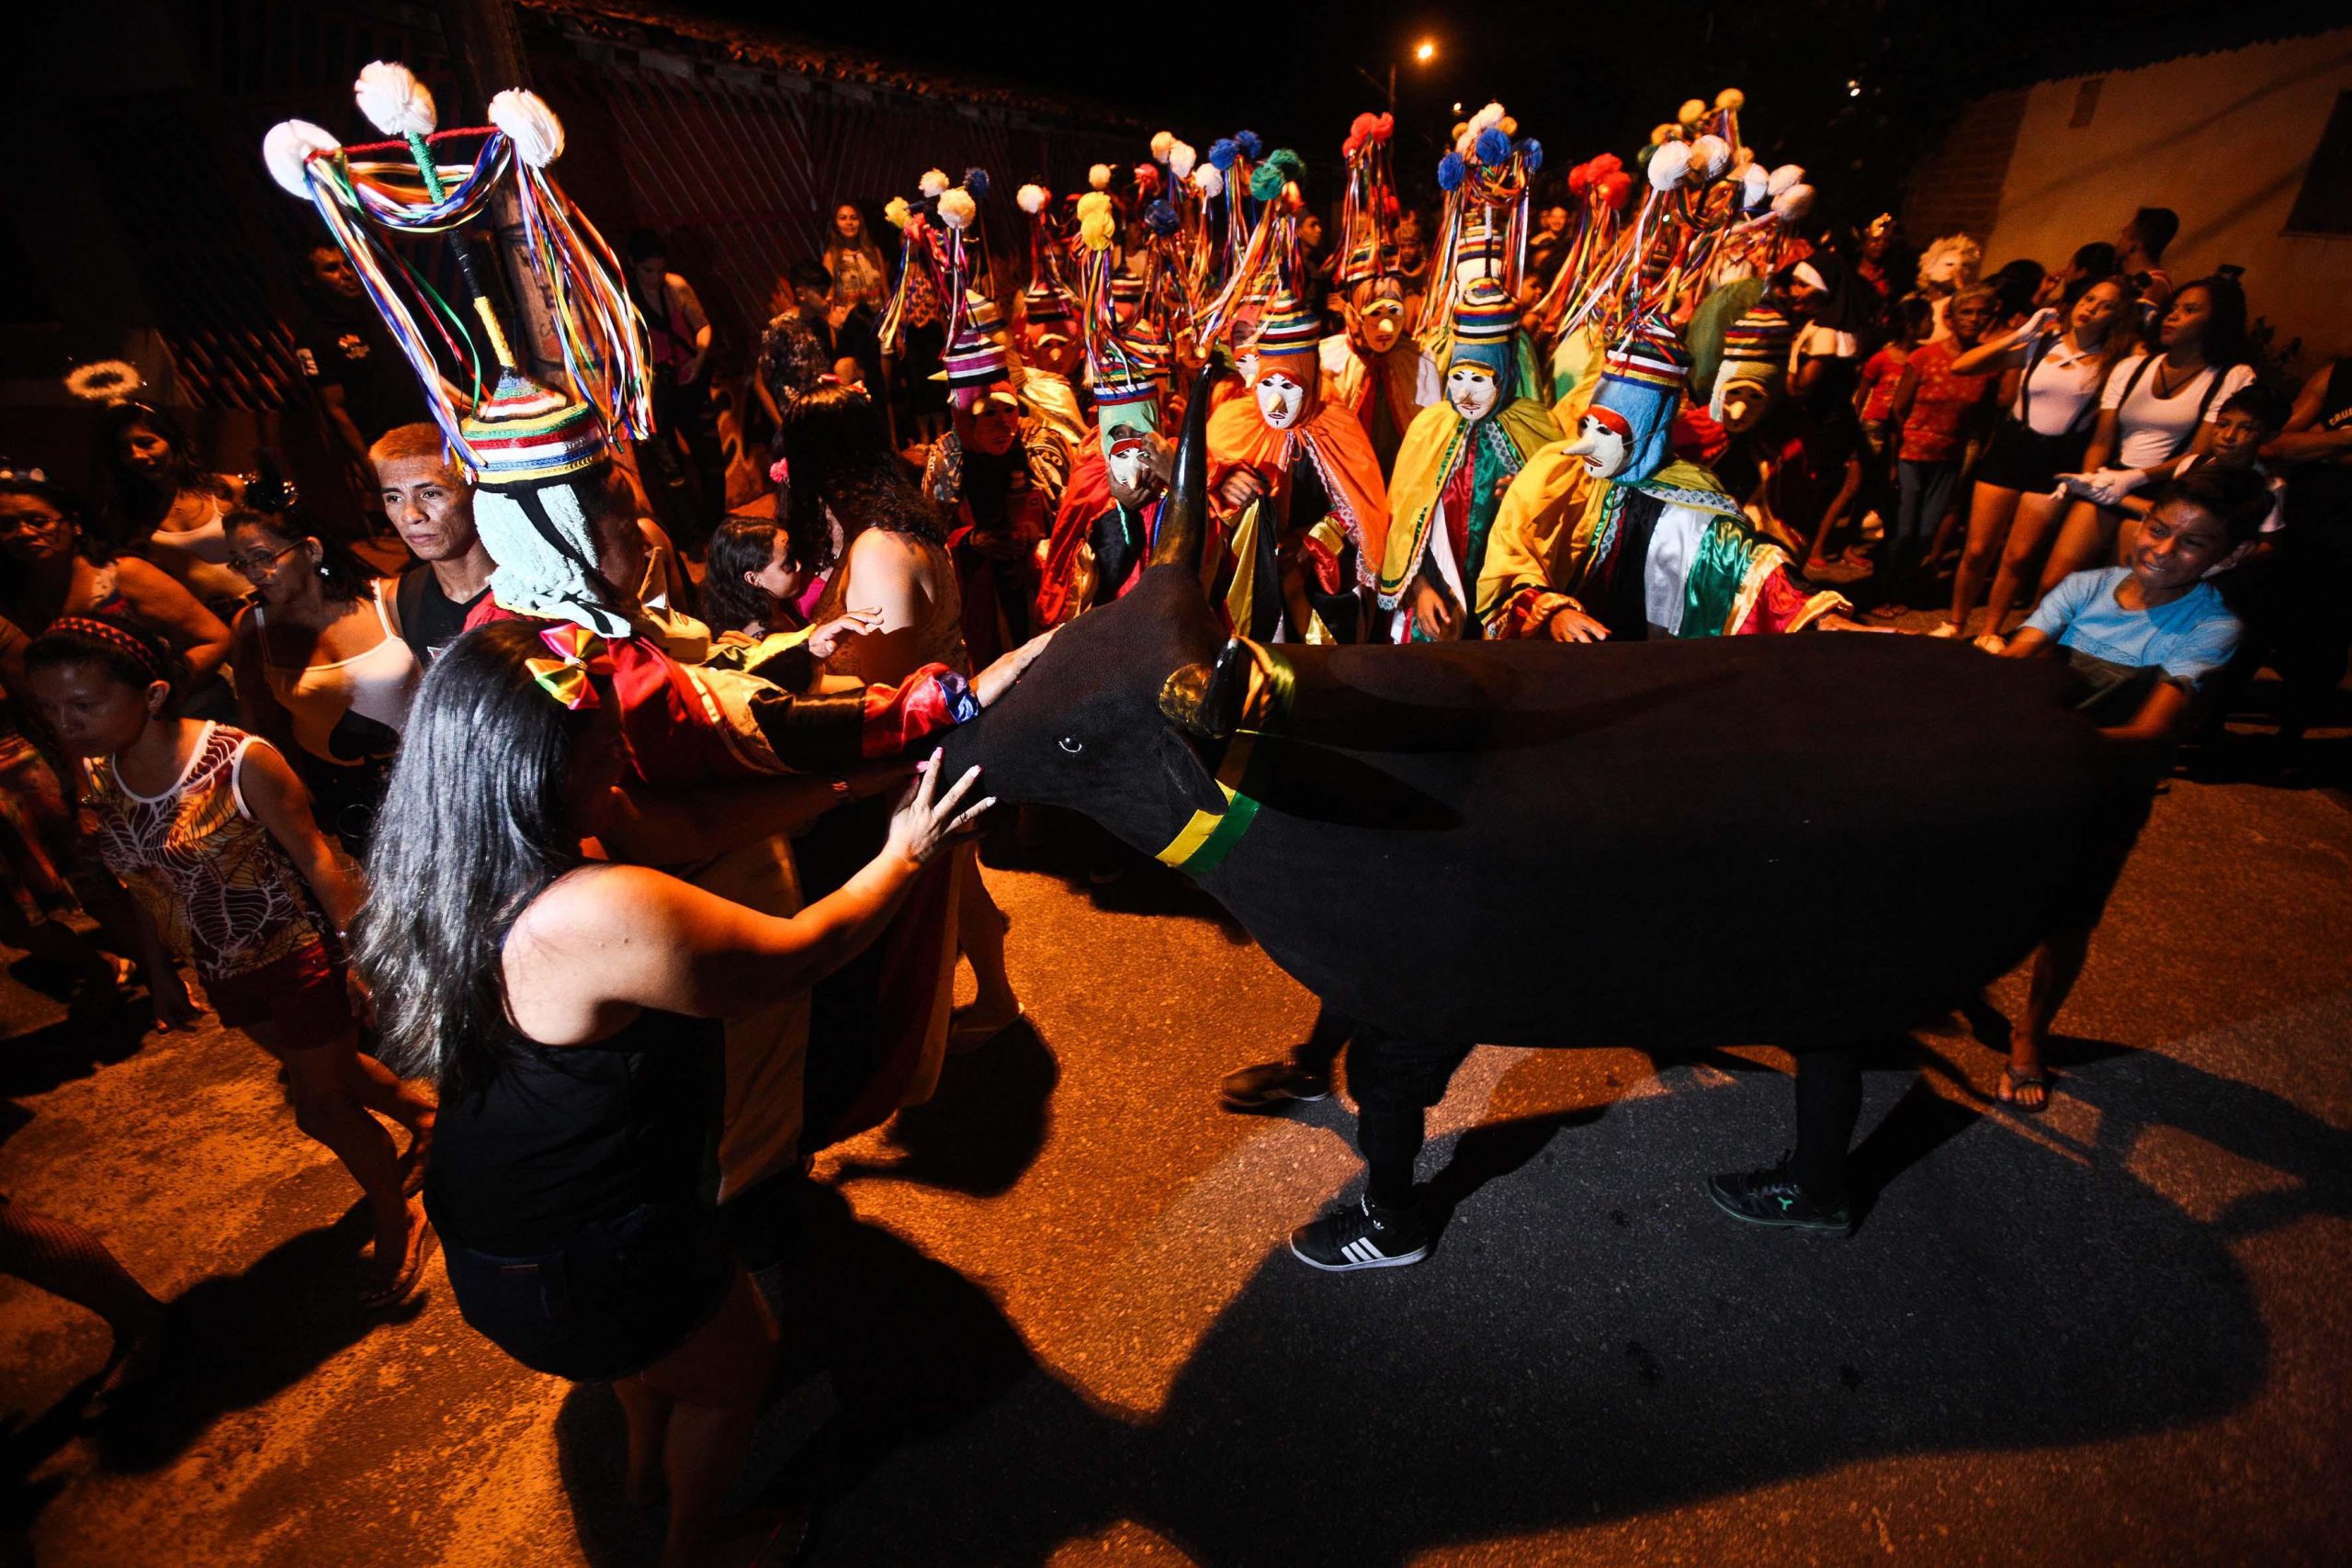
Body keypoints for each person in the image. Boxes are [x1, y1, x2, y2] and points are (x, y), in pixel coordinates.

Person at [355, 620, 992, 1568]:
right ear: (532, 760)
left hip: (514, 1222)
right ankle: (695, 1547)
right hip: (581, 1253)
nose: (623, 747)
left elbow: (692, 828)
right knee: (737, 1373)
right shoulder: (593, 910)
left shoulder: (454, 851)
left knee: (650, 1356)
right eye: (601, 736)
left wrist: (857, 783)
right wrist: (906, 849)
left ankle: (644, 1465)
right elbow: (802, 954)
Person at [22, 616, 434, 1306]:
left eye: (83, 705)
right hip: (222, 970)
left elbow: (317, 857)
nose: (67, 724)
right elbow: (144, 886)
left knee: (320, 1108)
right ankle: (427, 1121)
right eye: (51, 710)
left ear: (151, 695)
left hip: (298, 953)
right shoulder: (103, 775)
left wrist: (362, 955)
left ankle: (401, 1216)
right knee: (331, 1073)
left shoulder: (238, 759)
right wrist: (160, 975)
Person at [1992, 466, 2269, 1109]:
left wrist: (2045, 745)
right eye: (2158, 527)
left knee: (2068, 918)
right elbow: (2014, 661)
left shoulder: (2213, 627)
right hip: (2029, 773)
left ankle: (2030, 1033)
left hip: (2107, 789)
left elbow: (2151, 731)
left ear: (2231, 556)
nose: (2162, 550)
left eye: (2193, 544)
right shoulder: (2087, 585)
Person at [788, 386, 1024, 1054]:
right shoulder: (902, 526)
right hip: (941, 735)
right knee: (959, 879)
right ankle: (991, 998)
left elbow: (883, 687)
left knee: (930, 884)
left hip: (916, 748)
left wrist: (792, 677)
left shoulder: (879, 549)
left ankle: (926, 1032)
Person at [2030, 277, 2256, 639]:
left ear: (2217, 321)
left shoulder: (2230, 375)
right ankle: (2037, 653)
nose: (2174, 316)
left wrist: (2132, 482)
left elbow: (2198, 455)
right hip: (2111, 480)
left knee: (2125, 589)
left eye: (2190, 310)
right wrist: (2091, 480)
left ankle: (2093, 667)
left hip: (2169, 490)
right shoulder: (2133, 366)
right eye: (2174, 307)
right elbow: (2101, 440)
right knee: (2056, 580)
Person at [1936, 276, 2135, 637]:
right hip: (2013, 445)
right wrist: (2019, 335)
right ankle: (1955, 622)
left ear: (2116, 318)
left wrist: (2086, 477)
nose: (2092, 308)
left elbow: (2102, 433)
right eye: (2089, 298)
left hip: (2058, 458)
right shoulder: (2041, 343)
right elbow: (1961, 365)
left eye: (2106, 305)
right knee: (1979, 548)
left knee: (2019, 556)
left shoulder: (2114, 362)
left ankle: (1991, 632)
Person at [225, 508, 420, 854]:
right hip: (340, 788)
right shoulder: (251, 628)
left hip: (424, 769)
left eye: (263, 557)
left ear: (311, 550)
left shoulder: (388, 600)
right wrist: (297, 791)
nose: (255, 574)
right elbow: (260, 722)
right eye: (242, 563)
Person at [1375, 278, 1560, 641]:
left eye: (1480, 379)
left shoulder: (1538, 429)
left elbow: (1562, 524)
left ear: (1505, 374)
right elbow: (1401, 523)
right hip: (1436, 604)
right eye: (1458, 376)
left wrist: (1527, 499)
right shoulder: (1429, 428)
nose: (1464, 393)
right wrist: (1420, 589)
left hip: (1508, 609)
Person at [0, 467, 232, 696]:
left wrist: (152, 700)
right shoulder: (18, 597)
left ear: (75, 524)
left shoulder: (123, 574)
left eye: (38, 521)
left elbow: (215, 639)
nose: (24, 533)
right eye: (8, 526)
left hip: (189, 702)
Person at [1884, 284, 2000, 621]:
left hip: (1949, 460)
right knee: (1903, 530)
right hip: (1910, 454)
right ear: (1950, 317)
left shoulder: (1987, 364)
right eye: (1967, 312)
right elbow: (1898, 410)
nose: (1974, 319)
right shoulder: (1923, 357)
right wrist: (1892, 462)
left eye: (1981, 313)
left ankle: (1905, 586)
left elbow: (1983, 420)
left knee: (1925, 533)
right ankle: (1887, 589)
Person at [2264, 355, 2352, 760]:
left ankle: (2288, 745)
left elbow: (2299, 447)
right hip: (2300, 524)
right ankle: (2206, 727)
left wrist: (2317, 443)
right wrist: (2342, 441)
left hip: (2345, 546)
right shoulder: (2337, 375)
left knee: (2324, 647)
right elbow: (2276, 445)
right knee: (2261, 626)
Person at [90, 402, 251, 615]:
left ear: (173, 440)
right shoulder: (125, 514)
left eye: (146, 443)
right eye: (124, 450)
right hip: (205, 623)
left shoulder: (226, 489)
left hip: (260, 606)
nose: (136, 455)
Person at [289, 242, 429, 481]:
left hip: (426, 429)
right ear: (309, 280)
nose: (346, 274)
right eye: (332, 269)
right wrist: (368, 465)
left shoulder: (379, 311)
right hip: (390, 448)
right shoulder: (314, 336)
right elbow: (335, 409)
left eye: (347, 265)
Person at [627, 230, 724, 547]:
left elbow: (703, 325)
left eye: (660, 269)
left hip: (690, 380)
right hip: (657, 392)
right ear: (633, 265)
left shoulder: (676, 286)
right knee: (671, 469)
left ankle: (718, 526)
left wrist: (699, 357)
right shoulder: (626, 297)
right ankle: (691, 536)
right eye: (647, 271)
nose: (655, 278)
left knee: (710, 457)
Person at [372, 424, 494, 666]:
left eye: (430, 493)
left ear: (474, 492)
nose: (410, 515)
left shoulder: (534, 590)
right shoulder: (402, 598)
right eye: (394, 498)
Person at [754, 262, 839, 436]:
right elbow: (761, 383)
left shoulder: (821, 325)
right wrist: (782, 426)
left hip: (823, 417)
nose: (828, 298)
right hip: (796, 422)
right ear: (801, 294)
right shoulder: (780, 328)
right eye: (821, 292)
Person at [2115, 205, 2179, 319]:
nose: (2118, 241)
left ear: (2133, 243)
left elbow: (2131, 327)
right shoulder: (2129, 279)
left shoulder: (2153, 286)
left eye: (2124, 234)